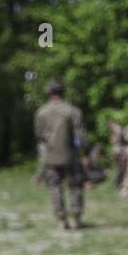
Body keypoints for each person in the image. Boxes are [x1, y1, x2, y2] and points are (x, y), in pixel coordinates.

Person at [33, 79, 87, 230]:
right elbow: (79, 137)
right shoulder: (73, 111)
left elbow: (40, 137)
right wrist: (83, 152)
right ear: (62, 92)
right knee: (75, 187)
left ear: (49, 94)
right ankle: (75, 218)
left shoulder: (41, 113)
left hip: (50, 157)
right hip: (70, 156)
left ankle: (61, 219)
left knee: (54, 187)